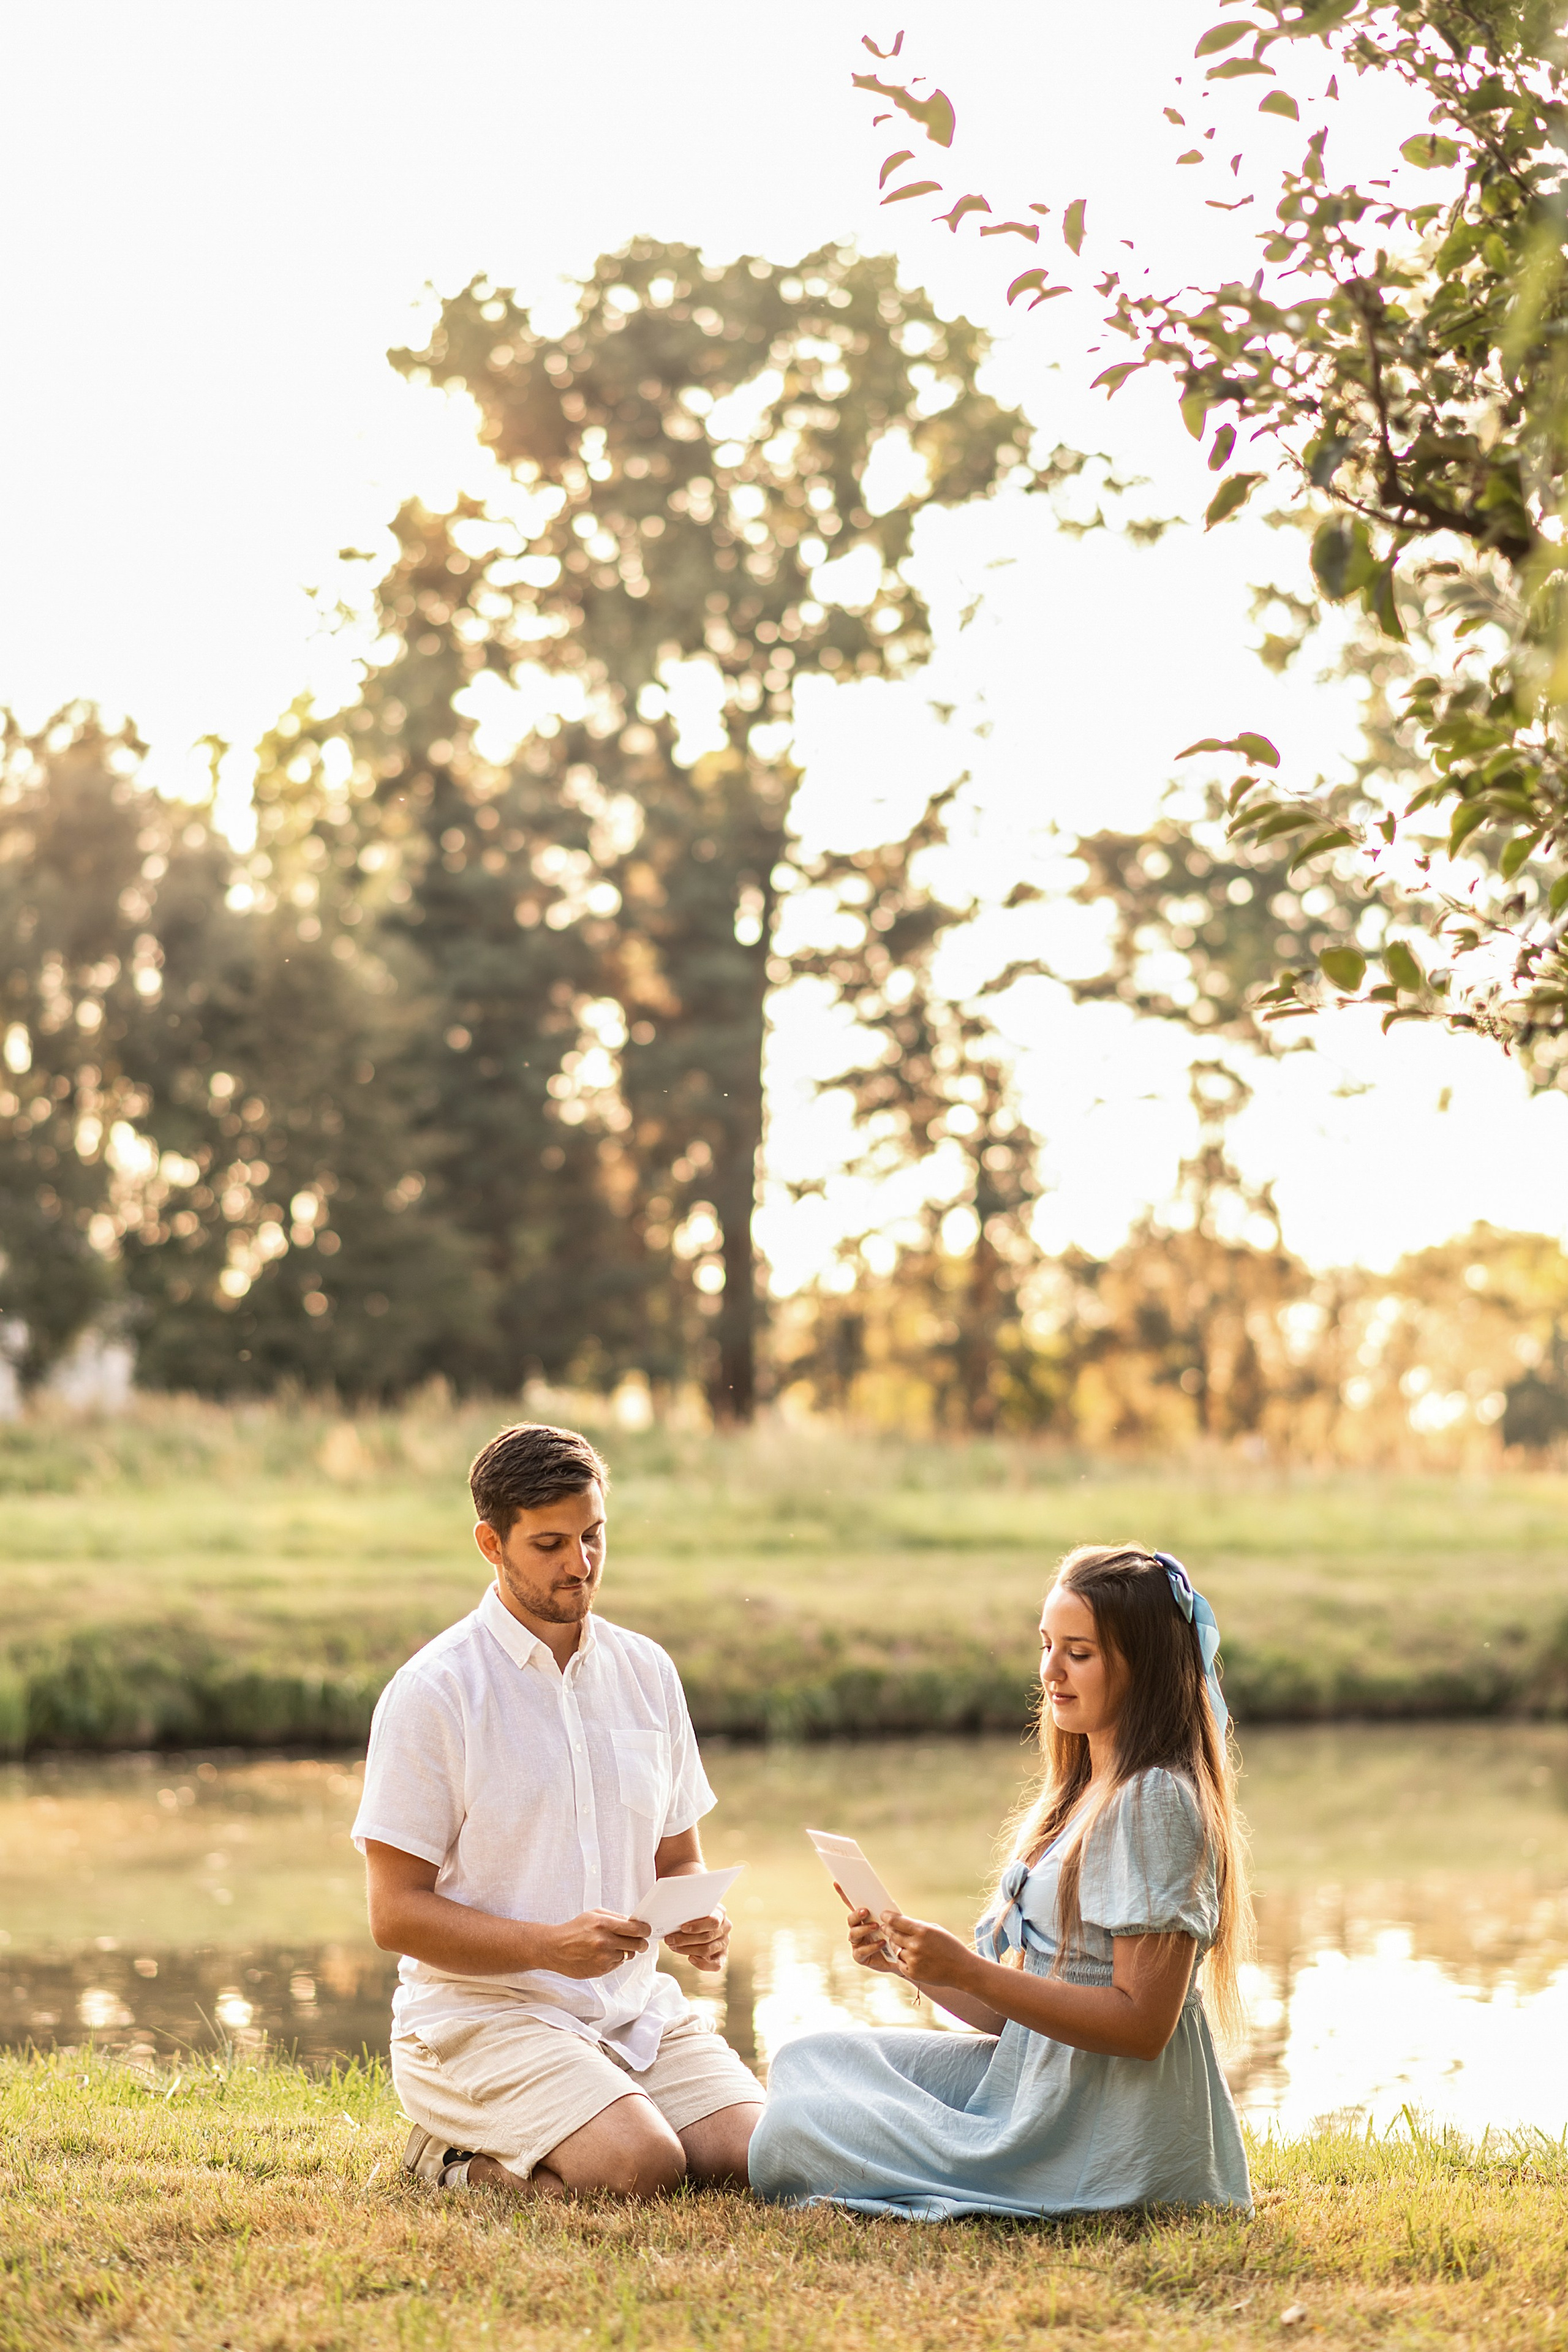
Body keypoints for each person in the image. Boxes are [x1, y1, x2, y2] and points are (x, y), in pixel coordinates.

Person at [747, 1545, 1253, 2218]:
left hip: (1107, 2126)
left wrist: (970, 1969)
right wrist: (912, 1963)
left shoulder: (1155, 1801)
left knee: (789, 2134)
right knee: (806, 2061)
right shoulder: (1081, 1792)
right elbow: (1022, 2010)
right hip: (1034, 2076)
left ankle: (995, 2170)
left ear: (1145, 1666)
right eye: (1047, 1646)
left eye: (1079, 1653)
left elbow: (1142, 2026)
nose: (1050, 1672)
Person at [352, 1421, 764, 2200]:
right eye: (550, 1544)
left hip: (632, 2012)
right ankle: (447, 2159)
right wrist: (548, 1947)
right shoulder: (435, 1692)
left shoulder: (647, 1671)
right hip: (482, 2019)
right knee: (639, 2168)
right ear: (491, 1543)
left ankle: (601, 2109)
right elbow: (393, 1915)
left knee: (760, 2159)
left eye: (593, 1536)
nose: (581, 1564)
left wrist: (697, 1918)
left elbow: (678, 1858)